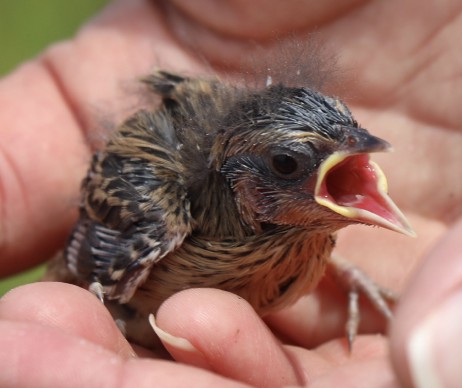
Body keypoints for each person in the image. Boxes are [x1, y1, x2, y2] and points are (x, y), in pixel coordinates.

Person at [0, 1, 461, 386]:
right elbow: (82, 268)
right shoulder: (156, 212)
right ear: (244, 189)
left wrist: (346, 274)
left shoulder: (310, 226)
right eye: (286, 165)